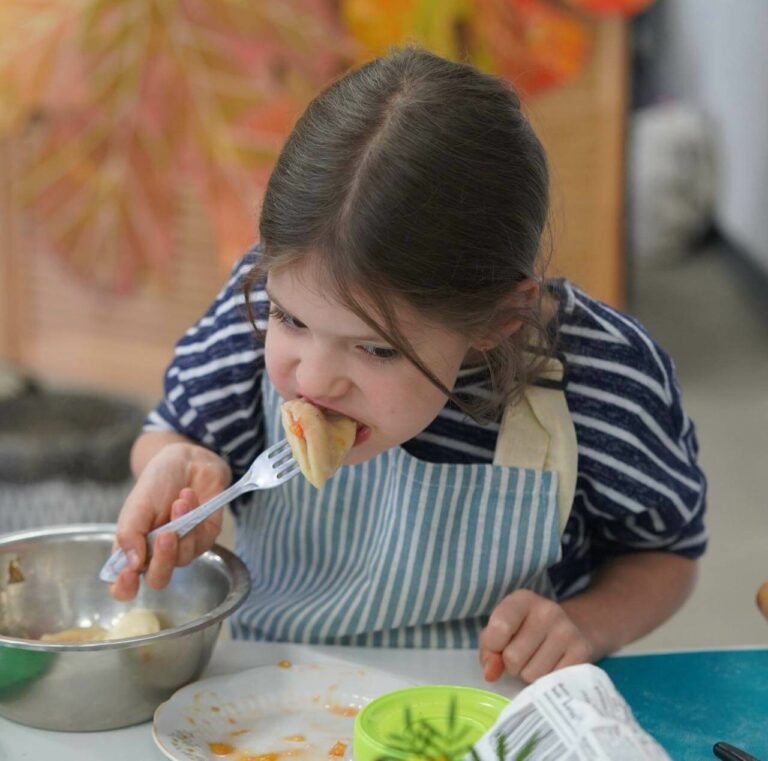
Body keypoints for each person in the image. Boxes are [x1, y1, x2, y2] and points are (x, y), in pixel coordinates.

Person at [110, 47, 707, 684]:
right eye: (291, 321)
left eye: (376, 349)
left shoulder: (605, 380)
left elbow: (667, 552)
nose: (311, 380)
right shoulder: (250, 307)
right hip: (273, 698)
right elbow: (170, 433)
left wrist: (589, 622)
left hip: (492, 705)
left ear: (498, 320)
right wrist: (173, 462)